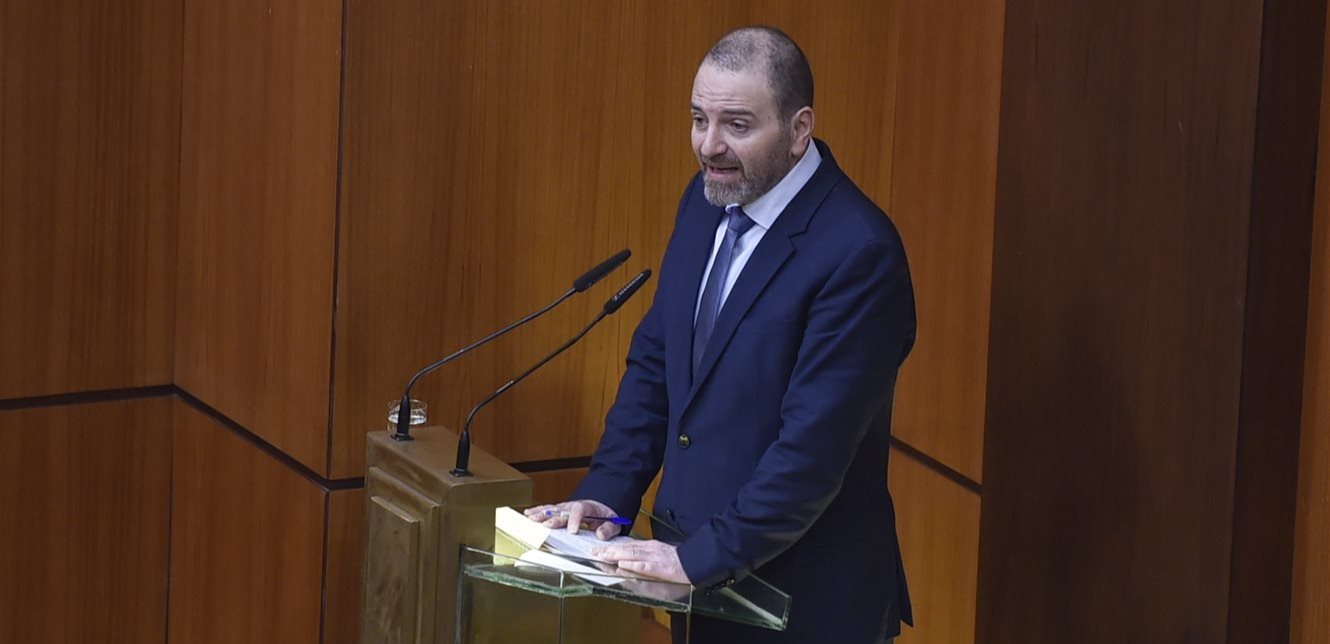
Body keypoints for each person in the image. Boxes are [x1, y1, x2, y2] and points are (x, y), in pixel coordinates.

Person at [525, 26, 915, 643]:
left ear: (799, 129)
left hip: (802, 606)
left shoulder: (858, 252)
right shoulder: (706, 201)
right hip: (696, 587)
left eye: (737, 125)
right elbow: (658, 363)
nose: (710, 146)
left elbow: (812, 452)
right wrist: (609, 496)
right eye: (698, 119)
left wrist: (698, 561)